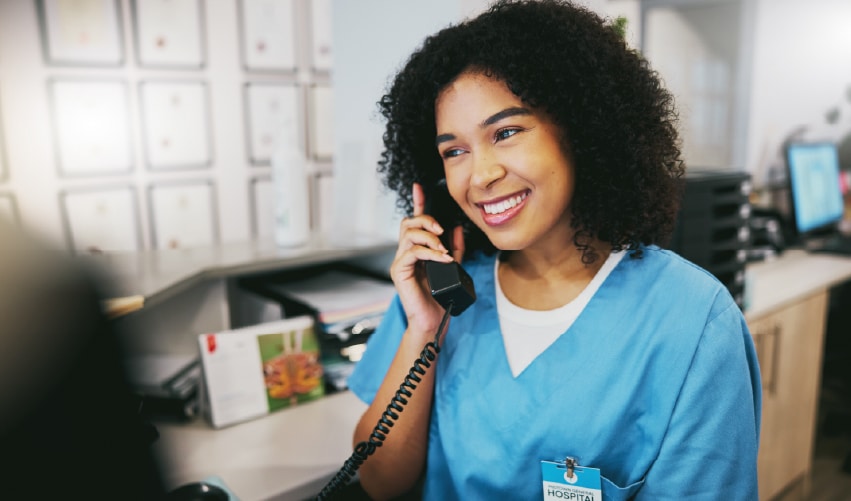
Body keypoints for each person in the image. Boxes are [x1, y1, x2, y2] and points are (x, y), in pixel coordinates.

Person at [345, 1, 762, 499]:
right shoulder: (443, 294)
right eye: (454, 151)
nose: (479, 176)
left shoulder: (693, 323)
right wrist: (423, 330)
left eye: (506, 132)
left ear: (580, 130)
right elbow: (379, 482)